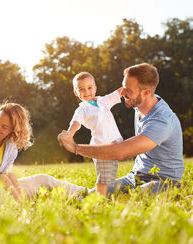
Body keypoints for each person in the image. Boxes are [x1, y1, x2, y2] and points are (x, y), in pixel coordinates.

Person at [58, 63, 184, 194]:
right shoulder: (140, 104)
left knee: (136, 197)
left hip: (164, 181)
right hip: (135, 177)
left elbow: (120, 152)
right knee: (96, 195)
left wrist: (75, 148)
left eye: (128, 90)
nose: (123, 93)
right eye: (124, 88)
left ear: (146, 92)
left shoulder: (162, 120)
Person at [0, 103, 85, 199]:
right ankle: (19, 205)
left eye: (4, 127)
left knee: (43, 179)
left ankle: (86, 193)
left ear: (14, 130)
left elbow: (5, 176)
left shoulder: (11, 148)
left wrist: (14, 189)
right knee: (5, 187)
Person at [60, 72, 123, 195]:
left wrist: (128, 89)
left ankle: (103, 195)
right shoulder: (82, 109)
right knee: (104, 177)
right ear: (76, 92)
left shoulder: (102, 101)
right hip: (101, 145)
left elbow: (118, 93)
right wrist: (69, 135)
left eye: (89, 88)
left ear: (95, 88)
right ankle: (99, 199)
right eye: (81, 89)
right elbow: (76, 123)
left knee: (110, 173)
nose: (87, 91)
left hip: (115, 143)